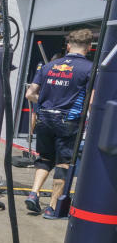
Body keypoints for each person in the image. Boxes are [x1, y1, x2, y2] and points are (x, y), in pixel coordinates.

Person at [24, 29, 94, 219]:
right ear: (89, 48)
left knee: (45, 158)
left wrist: (47, 102)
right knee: (63, 163)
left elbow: (30, 94)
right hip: (68, 121)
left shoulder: (49, 67)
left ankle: (34, 193)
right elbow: (92, 101)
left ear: (68, 46)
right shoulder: (89, 69)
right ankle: (53, 208)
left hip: (44, 118)